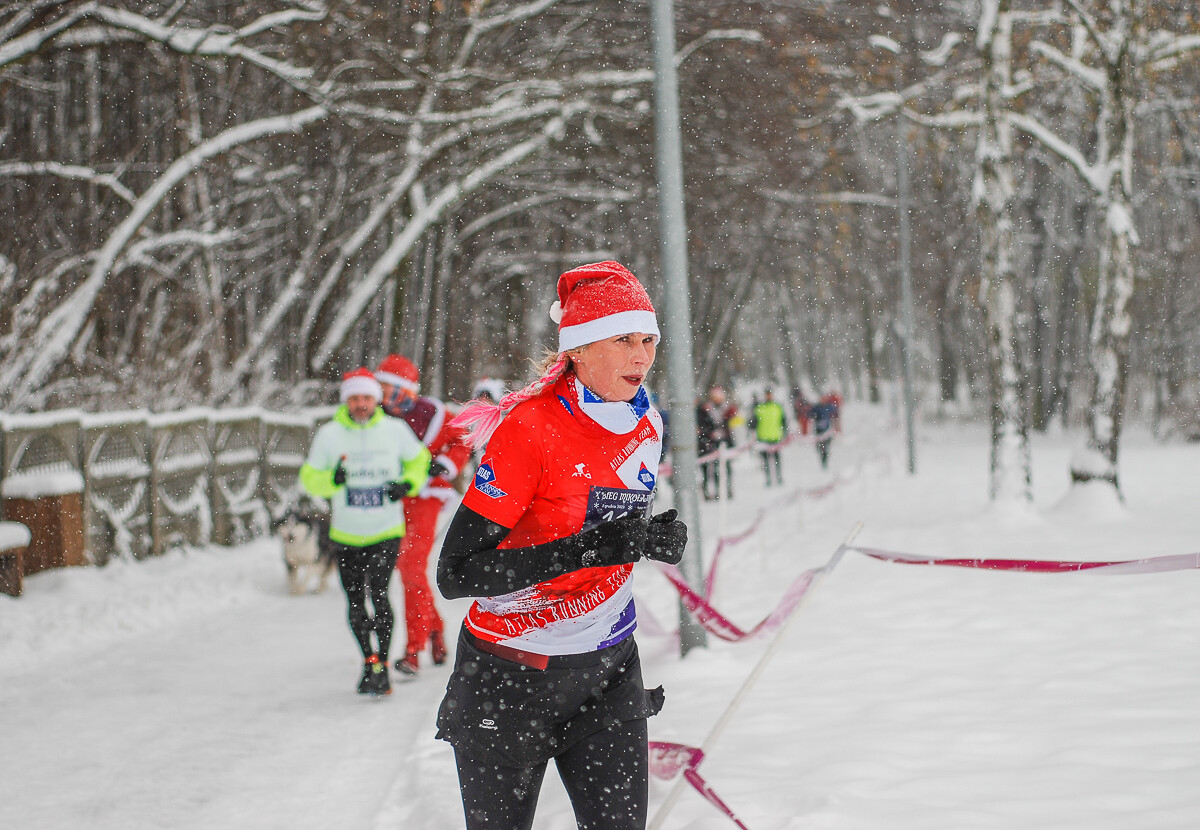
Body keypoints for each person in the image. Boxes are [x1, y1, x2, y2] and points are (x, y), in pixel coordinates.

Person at [434, 261, 687, 830]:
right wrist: (586, 551)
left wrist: (648, 539)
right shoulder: (529, 429)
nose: (641, 356)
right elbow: (456, 573)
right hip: (510, 675)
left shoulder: (646, 424)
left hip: (608, 669)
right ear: (577, 348)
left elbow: (610, 524)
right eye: (623, 340)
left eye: (649, 339)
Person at [299, 368, 431, 695]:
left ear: (376, 399)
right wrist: (333, 481)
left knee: (380, 596)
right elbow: (309, 477)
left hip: (385, 531)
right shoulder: (330, 435)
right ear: (347, 400)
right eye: (355, 398)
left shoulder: (395, 430)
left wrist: (406, 485)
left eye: (367, 397)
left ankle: (382, 665)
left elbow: (419, 461)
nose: (361, 403)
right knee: (355, 601)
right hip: (345, 535)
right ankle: (368, 659)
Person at [375, 354, 473, 676]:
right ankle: (434, 627)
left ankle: (413, 649)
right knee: (406, 567)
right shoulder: (378, 418)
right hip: (393, 497)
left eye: (388, 388)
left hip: (428, 496)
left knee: (411, 562)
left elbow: (464, 440)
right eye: (380, 388)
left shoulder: (435, 414)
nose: (382, 395)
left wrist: (446, 464)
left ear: (405, 389)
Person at [697, 385, 736, 500]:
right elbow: (702, 425)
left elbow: (733, 425)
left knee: (725, 468)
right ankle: (708, 492)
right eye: (715, 397)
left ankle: (725, 490)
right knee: (708, 470)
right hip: (708, 444)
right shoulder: (705, 409)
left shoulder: (728, 409)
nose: (717, 399)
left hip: (724, 443)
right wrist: (709, 433)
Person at [753, 387, 787, 486]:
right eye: (767, 394)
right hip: (763, 437)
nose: (768, 396)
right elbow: (754, 422)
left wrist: (785, 432)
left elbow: (783, 421)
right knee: (766, 461)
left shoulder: (778, 406)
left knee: (777, 460)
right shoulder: (759, 408)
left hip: (775, 437)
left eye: (770, 394)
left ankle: (779, 477)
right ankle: (768, 479)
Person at [810, 391, 839, 469]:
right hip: (819, 431)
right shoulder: (816, 407)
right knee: (820, 447)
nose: (823, 400)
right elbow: (810, 415)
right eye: (822, 399)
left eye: (824, 398)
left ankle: (825, 461)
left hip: (827, 430)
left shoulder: (829, 406)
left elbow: (836, 413)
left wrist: (836, 423)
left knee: (826, 447)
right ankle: (822, 460)